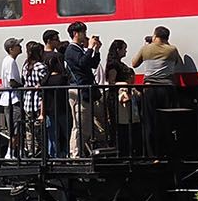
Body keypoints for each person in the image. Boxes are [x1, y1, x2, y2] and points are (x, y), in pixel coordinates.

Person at [64, 21, 100, 157]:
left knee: (84, 124)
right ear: (75, 34)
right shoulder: (71, 49)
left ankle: (79, 152)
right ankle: (75, 154)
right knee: (79, 124)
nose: (85, 35)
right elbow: (82, 63)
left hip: (83, 90)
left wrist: (96, 51)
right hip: (77, 90)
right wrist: (90, 48)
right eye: (83, 32)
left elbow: (92, 64)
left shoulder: (78, 49)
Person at [101, 38, 138, 158]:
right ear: (118, 50)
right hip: (118, 97)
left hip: (122, 95)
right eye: (124, 49)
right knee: (119, 125)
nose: (126, 52)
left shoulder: (117, 64)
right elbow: (112, 82)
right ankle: (120, 150)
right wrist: (124, 85)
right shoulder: (113, 65)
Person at [39, 29, 70, 159]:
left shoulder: (40, 56)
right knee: (66, 130)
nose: (58, 41)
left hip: (47, 104)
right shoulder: (57, 57)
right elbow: (65, 75)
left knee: (52, 133)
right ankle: (66, 154)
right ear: (49, 40)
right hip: (60, 103)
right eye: (56, 39)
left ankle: (53, 156)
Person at [0, 38, 25, 153]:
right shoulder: (11, 62)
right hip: (13, 99)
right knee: (16, 128)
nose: (20, 47)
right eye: (18, 45)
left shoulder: (6, 60)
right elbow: (12, 81)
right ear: (11, 49)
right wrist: (23, 85)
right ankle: (11, 153)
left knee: (13, 128)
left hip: (7, 99)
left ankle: (13, 152)